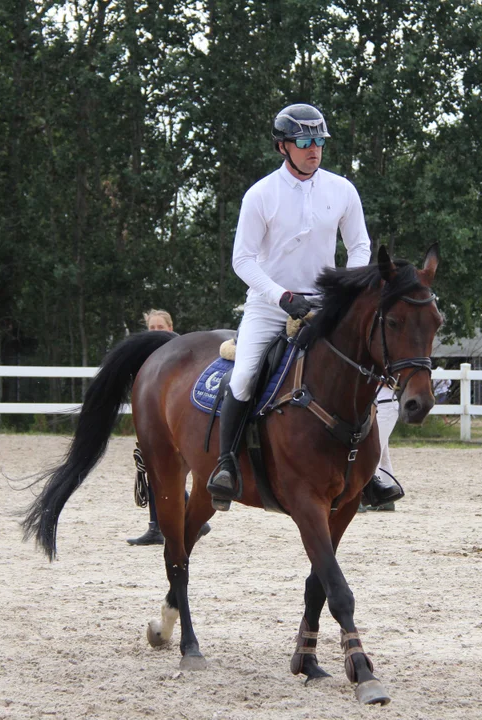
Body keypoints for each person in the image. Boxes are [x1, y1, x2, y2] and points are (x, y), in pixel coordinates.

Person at [206, 102, 402, 511]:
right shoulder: (260, 195)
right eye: (305, 141)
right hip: (270, 305)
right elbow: (242, 260)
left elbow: (360, 245)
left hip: (326, 304)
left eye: (319, 141)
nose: (314, 149)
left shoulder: (342, 189)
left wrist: (347, 289)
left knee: (362, 377)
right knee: (243, 377)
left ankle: (371, 476)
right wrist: (281, 296)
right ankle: (226, 466)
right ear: (283, 147)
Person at [128, 310, 211, 545]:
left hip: (176, 424)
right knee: (154, 469)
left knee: (164, 471)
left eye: (160, 328)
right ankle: (159, 525)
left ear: (171, 328)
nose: (155, 332)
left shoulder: (181, 357)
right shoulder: (145, 357)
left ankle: (188, 516)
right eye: (151, 328)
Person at [360, 384, 402, 512]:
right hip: (379, 403)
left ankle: (369, 495)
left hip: (385, 405)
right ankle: (386, 498)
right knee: (383, 454)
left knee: (374, 452)